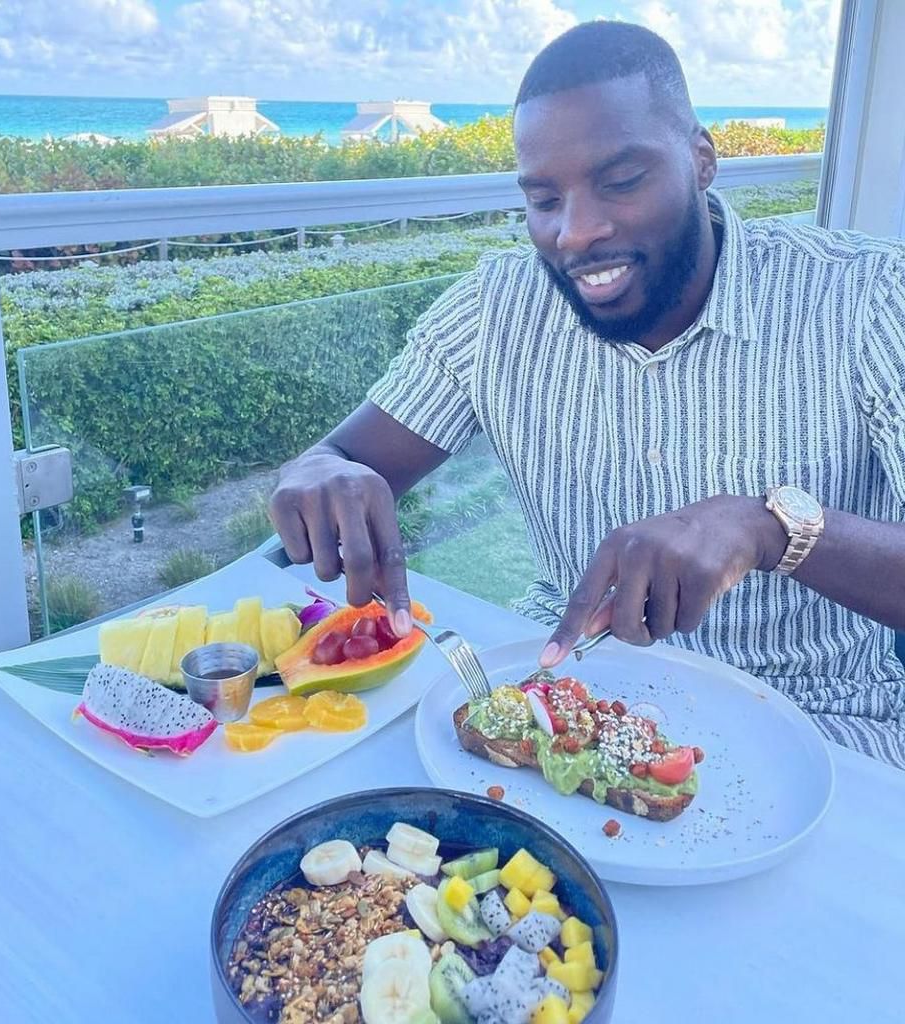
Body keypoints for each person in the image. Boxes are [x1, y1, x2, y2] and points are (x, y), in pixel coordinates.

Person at [269, 21, 905, 767]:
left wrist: (773, 529)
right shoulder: (493, 310)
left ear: (702, 159)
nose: (576, 232)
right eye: (544, 199)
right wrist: (317, 474)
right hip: (559, 703)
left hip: (824, 735)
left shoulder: (867, 298)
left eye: (621, 182)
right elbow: (339, 456)